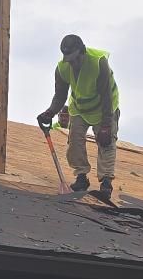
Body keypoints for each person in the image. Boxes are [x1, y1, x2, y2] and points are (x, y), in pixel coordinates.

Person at [39, 36, 119, 200]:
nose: (73, 63)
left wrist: (106, 126)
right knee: (74, 142)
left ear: (82, 52)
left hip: (104, 108)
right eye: (69, 60)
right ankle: (81, 177)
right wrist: (50, 112)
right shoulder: (62, 68)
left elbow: (106, 98)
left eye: (75, 59)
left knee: (106, 143)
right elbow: (60, 96)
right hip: (80, 109)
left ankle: (106, 183)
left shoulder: (98, 63)